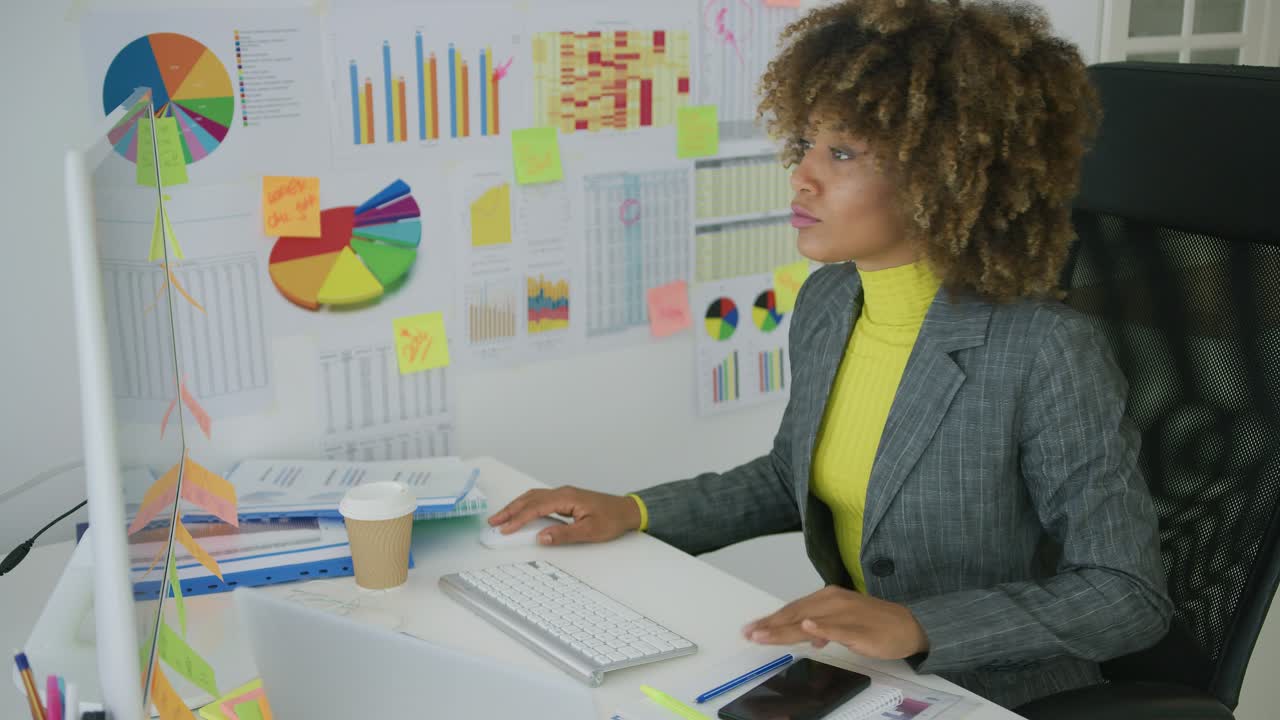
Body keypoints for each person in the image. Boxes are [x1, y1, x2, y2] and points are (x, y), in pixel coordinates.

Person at [489, 0, 1172, 709]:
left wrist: (919, 624)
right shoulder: (828, 302)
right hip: (862, 678)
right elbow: (793, 476)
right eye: (806, 146)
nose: (803, 178)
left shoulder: (1045, 351)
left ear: (942, 174)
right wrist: (637, 510)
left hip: (994, 696)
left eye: (841, 154)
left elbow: (1126, 595)